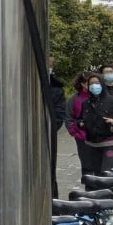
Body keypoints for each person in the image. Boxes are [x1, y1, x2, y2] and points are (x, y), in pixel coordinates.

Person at [75, 72, 113, 175]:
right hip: (92, 144)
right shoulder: (86, 103)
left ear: (102, 84)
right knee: (97, 175)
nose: (94, 86)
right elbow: (79, 119)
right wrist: (81, 124)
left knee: (107, 174)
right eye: (91, 84)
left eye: (96, 83)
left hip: (111, 142)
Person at [66, 72, 92, 180]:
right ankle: (88, 185)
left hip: (98, 136)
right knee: (86, 164)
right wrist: (74, 132)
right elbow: (69, 117)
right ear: (82, 84)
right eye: (90, 83)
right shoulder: (74, 99)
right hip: (82, 137)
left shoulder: (99, 97)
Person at [48, 57, 67, 198]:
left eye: (50, 64)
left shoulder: (56, 88)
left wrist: (49, 130)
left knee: (48, 170)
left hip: (46, 137)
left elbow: (59, 114)